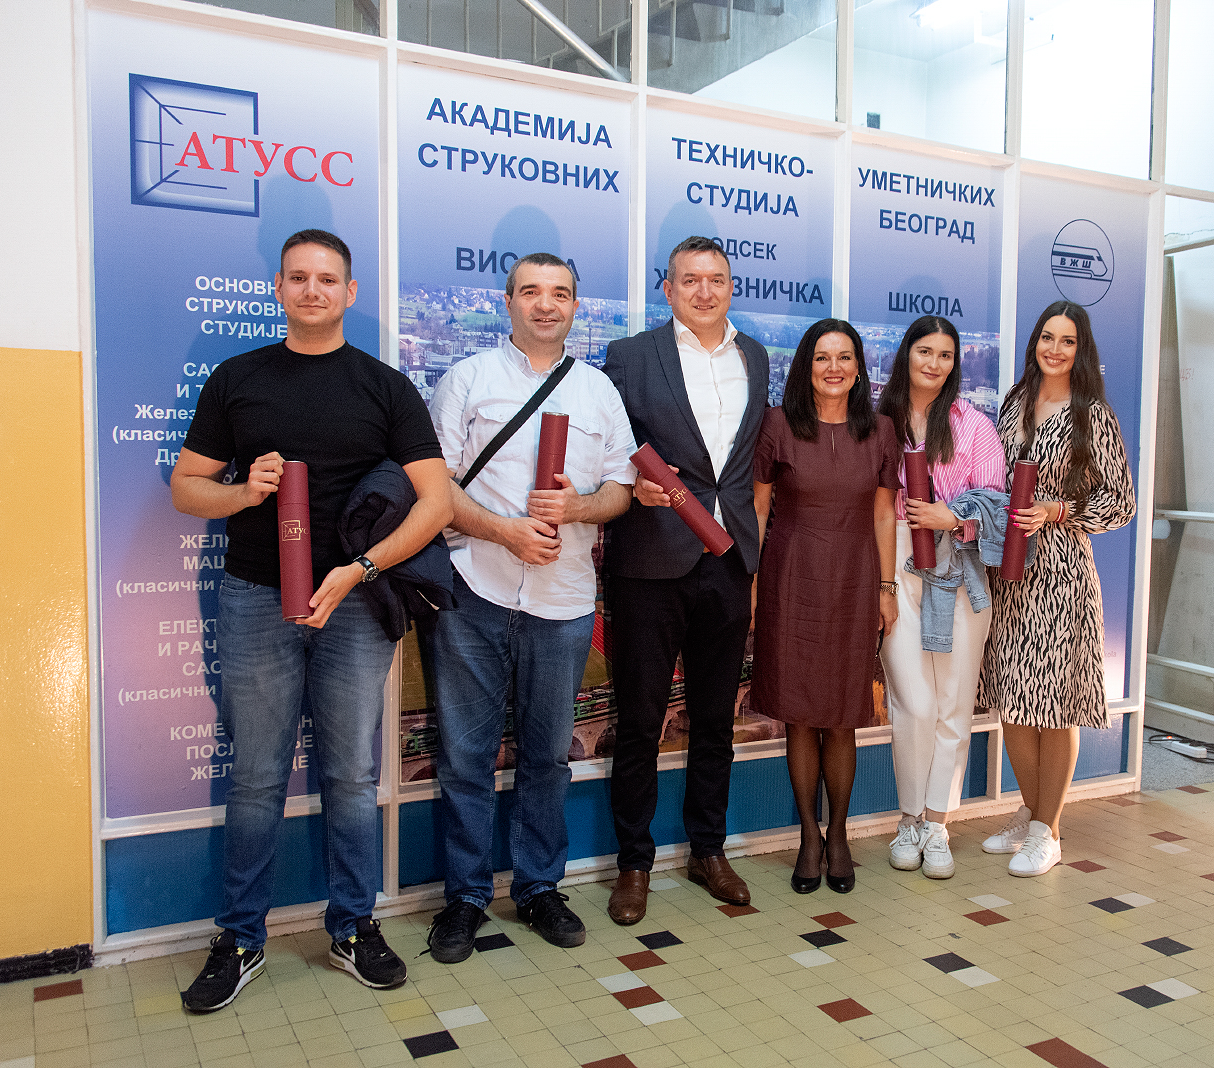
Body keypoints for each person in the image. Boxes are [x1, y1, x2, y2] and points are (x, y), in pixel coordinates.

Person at [171, 229, 453, 1011]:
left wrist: (362, 568)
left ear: (349, 292)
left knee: (351, 777)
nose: (312, 290)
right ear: (279, 287)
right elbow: (186, 487)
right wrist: (244, 492)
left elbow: (435, 503)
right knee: (257, 775)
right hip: (255, 597)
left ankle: (353, 927)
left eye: (327, 279)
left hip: (355, 603)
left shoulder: (385, 387)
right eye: (298, 278)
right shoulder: (238, 379)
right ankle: (240, 938)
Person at [423, 254, 635, 958]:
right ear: (508, 300)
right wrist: (503, 531)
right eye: (532, 292)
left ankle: (540, 887)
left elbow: (621, 491)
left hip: (563, 600)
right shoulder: (468, 379)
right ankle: (465, 898)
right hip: (473, 591)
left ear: (576, 306)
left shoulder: (599, 391)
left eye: (561, 294)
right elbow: (436, 486)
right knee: (465, 757)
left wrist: (577, 508)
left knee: (547, 756)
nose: (546, 305)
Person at [601, 236, 770, 924]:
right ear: (667, 289)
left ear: (731, 288)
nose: (704, 291)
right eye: (690, 280)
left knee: (715, 718)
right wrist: (630, 483)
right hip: (650, 560)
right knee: (641, 719)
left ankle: (708, 849)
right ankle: (634, 863)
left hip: (728, 560)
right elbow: (607, 445)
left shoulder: (754, 356)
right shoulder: (630, 356)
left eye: (717, 280)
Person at [978, 300, 1135, 877]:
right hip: (1008, 572)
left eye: (1067, 341)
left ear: (1081, 349)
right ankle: (1031, 813)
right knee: (1014, 699)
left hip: (1061, 571)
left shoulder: (1094, 415)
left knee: (1053, 703)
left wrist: (1059, 509)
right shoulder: (1015, 401)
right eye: (1048, 337)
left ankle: (1049, 831)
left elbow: (1121, 502)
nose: (1055, 349)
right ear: (1035, 342)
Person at [752, 320, 900, 894]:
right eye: (821, 358)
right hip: (790, 580)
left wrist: (887, 589)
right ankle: (808, 836)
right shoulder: (778, 425)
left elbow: (884, 514)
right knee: (800, 714)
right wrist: (752, 583)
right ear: (805, 368)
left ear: (859, 368)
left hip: (854, 582)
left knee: (842, 715)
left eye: (843, 357)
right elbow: (759, 508)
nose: (833, 368)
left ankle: (838, 834)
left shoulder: (880, 431)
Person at [874, 316, 1007, 879]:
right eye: (924, 351)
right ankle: (908, 818)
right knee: (913, 700)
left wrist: (952, 517)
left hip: (959, 568)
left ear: (956, 364)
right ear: (907, 354)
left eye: (945, 355)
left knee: (953, 702)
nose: (934, 363)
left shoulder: (973, 425)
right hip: (895, 565)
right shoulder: (878, 421)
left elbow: (998, 504)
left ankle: (937, 822)